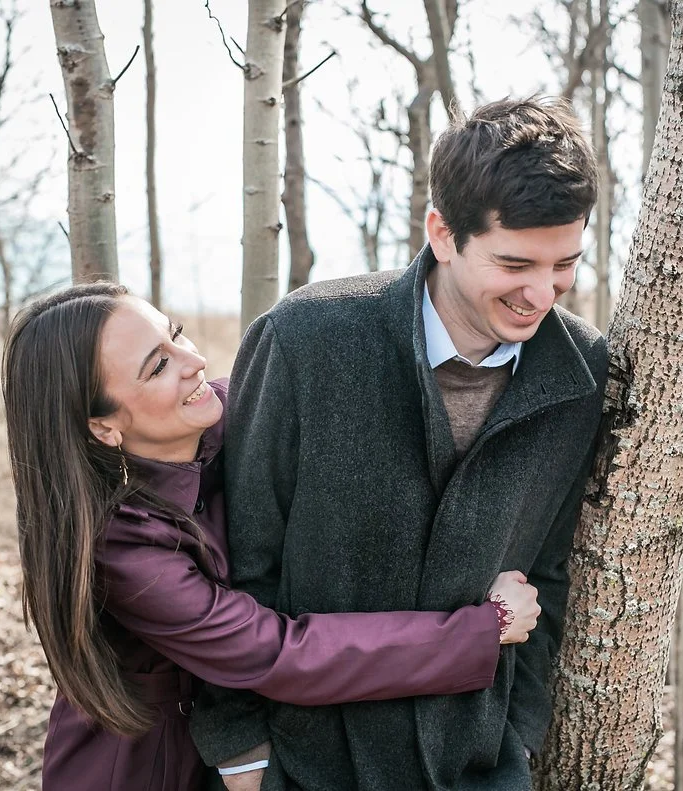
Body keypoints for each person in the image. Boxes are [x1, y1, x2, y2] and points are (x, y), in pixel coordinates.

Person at [192, 96, 608, 791]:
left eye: (564, 263)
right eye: (515, 264)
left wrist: (522, 735)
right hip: (304, 764)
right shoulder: (305, 339)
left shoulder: (582, 371)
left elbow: (554, 574)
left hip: (475, 765)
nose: (543, 292)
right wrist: (241, 751)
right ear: (442, 233)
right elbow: (237, 560)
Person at [1, 282, 543, 791]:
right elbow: (276, 652)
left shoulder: (238, 413)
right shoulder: (121, 549)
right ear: (104, 427)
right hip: (141, 765)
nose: (195, 361)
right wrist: (479, 630)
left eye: (177, 333)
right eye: (159, 366)